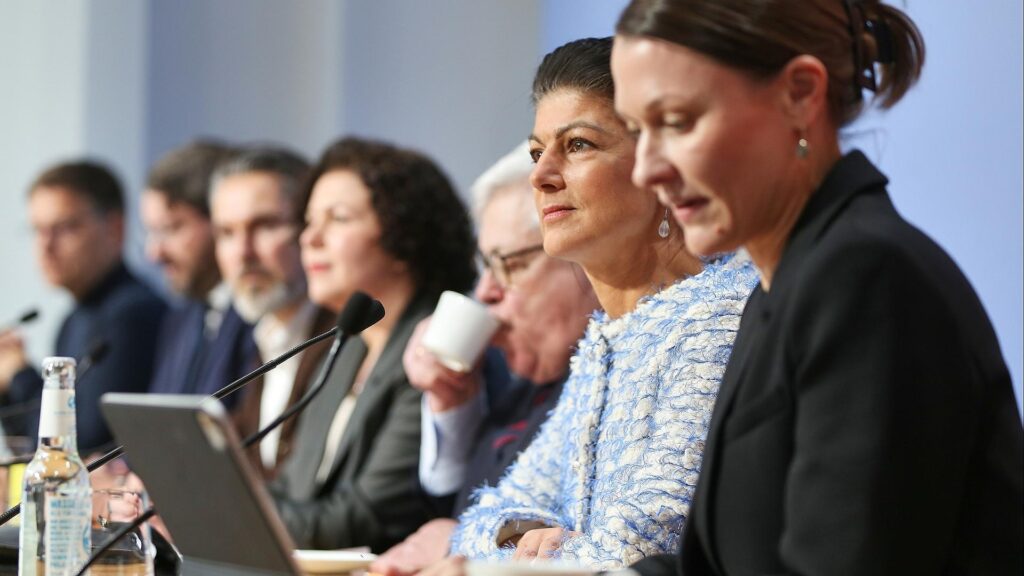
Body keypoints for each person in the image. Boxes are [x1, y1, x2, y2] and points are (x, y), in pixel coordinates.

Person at [610, 1, 1024, 574]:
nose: (645, 169)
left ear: (801, 94)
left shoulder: (866, 279)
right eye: (636, 131)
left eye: (676, 122)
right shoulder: (779, 289)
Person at [447, 38, 759, 570]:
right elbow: (482, 517)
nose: (540, 176)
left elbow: (642, 546)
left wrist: (530, 554)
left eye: (578, 146)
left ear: (660, 168)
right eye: (535, 152)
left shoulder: (716, 321)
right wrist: (525, 533)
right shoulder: (606, 339)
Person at [370, 142, 601, 576]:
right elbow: (459, 501)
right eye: (485, 266)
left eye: (508, 265)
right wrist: (451, 402)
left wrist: (458, 542)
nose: (486, 294)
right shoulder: (516, 377)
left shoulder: (617, 374)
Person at [269, 136, 477, 552]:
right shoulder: (346, 346)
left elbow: (363, 523)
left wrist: (221, 517)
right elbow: (293, 488)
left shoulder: (434, 354)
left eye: (338, 219)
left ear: (404, 238)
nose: (310, 239)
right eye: (310, 221)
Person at [0, 161, 167, 452]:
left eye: (63, 228)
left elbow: (82, 445)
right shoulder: (73, 319)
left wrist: (19, 376)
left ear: (114, 228)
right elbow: (33, 447)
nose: (45, 246)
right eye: (37, 230)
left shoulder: (132, 314)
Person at [208, 147, 333, 479]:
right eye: (226, 233)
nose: (243, 252)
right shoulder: (261, 337)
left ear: (309, 228)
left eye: (264, 226)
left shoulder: (346, 339)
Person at [142, 140, 257, 404]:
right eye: (150, 232)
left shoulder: (260, 315)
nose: (154, 253)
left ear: (220, 221)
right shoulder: (179, 317)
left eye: (171, 229)